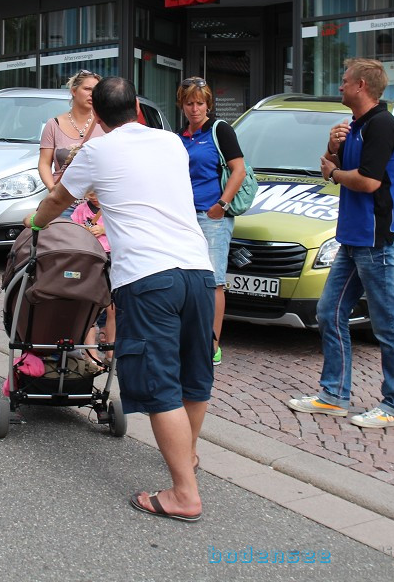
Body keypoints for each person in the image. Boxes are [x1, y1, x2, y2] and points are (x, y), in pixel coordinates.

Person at [24, 77, 215, 522]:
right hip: (199, 271)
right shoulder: (170, 141)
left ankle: (184, 495)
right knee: (195, 373)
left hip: (150, 277)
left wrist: (35, 224)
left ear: (99, 116)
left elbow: (58, 199)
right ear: (137, 108)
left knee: (159, 383)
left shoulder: (95, 150)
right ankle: (188, 459)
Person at [287, 58, 394, 429]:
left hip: (379, 241)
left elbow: (369, 182)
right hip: (354, 240)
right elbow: (333, 166)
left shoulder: (382, 125)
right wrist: (331, 149)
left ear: (361, 85)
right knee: (329, 312)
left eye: (344, 81)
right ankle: (333, 396)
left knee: (389, 326)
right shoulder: (356, 126)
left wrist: (334, 172)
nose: (339, 87)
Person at [177, 76, 247, 367]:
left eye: (200, 103)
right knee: (187, 279)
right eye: (190, 103)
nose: (195, 109)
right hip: (184, 217)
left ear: (209, 104)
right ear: (181, 105)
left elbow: (239, 170)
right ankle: (188, 338)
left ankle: (212, 344)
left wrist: (221, 205)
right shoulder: (181, 137)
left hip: (212, 217)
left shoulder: (220, 130)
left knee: (214, 282)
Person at [38, 70, 103, 218]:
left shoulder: (104, 123)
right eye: (87, 89)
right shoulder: (53, 124)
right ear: (74, 91)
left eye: (96, 91)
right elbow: (44, 163)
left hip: (96, 207)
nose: (92, 94)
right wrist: (53, 190)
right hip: (64, 204)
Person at [70, 191, 115, 362]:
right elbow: (72, 229)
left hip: (111, 257)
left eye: (98, 192)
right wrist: (82, 229)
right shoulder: (81, 210)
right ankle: (91, 355)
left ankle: (110, 352)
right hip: (90, 257)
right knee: (89, 307)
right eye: (90, 193)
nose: (94, 196)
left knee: (113, 309)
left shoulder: (112, 207)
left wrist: (104, 229)